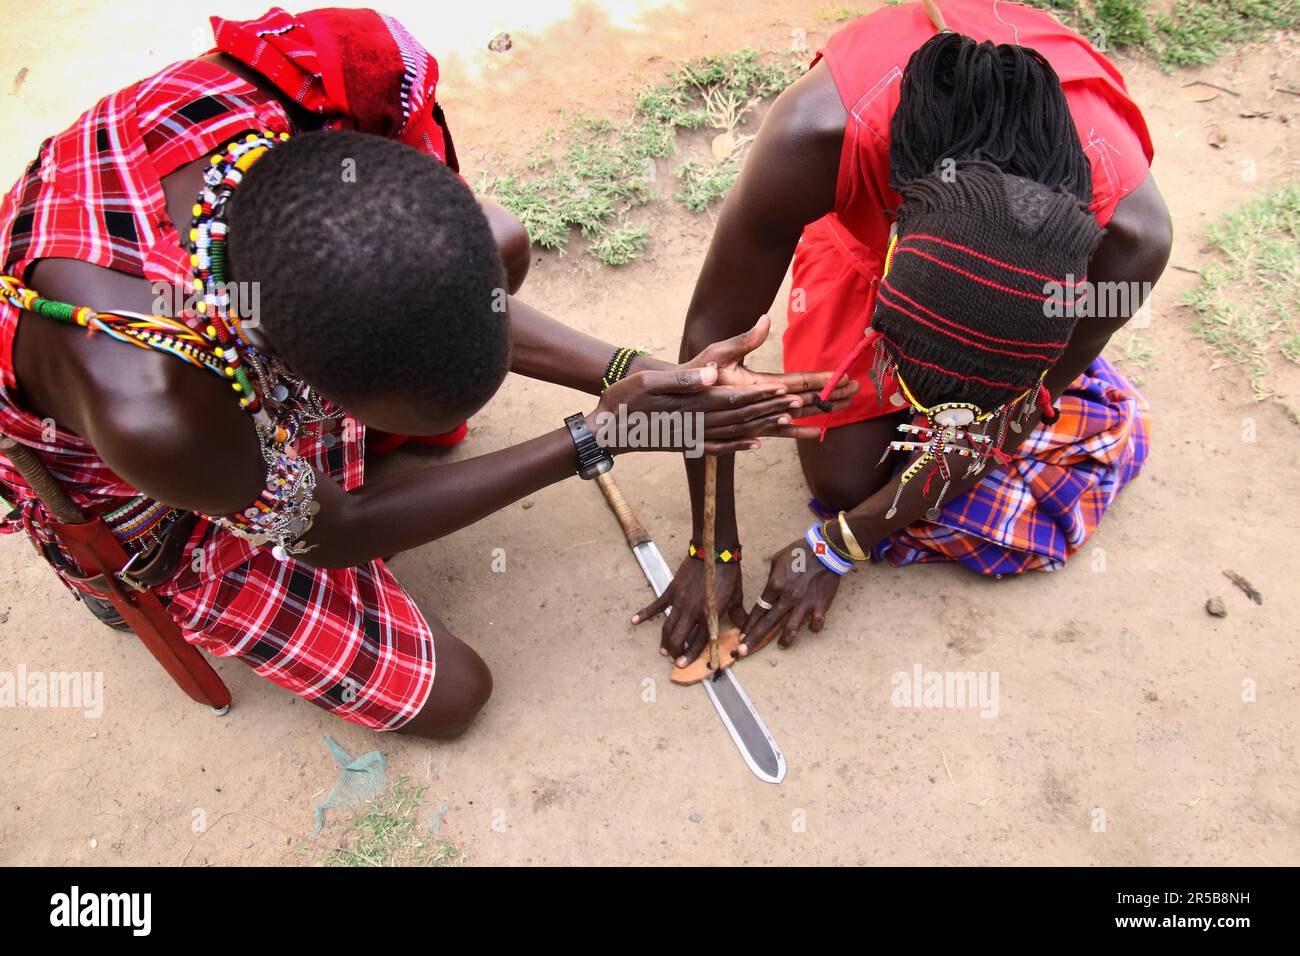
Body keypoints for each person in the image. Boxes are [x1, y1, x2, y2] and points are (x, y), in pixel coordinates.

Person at [0, 7, 853, 738]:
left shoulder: (299, 132)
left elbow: (438, 292)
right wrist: (601, 435)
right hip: (154, 483)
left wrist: (649, 379)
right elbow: (326, 530)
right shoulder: (159, 408)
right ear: (300, 381)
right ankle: (112, 589)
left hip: (223, 327)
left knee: (501, 242)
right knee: (454, 697)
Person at [634, 0, 1172, 664]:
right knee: (840, 479)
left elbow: (1004, 424)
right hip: (861, 242)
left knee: (856, 496)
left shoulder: (1131, 241)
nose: (934, 421)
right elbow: (711, 336)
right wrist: (711, 546)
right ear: (894, 239)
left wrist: (842, 542)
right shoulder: (819, 136)